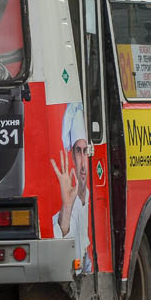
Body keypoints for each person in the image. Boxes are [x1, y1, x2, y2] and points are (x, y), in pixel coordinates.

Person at [51, 102, 92, 273]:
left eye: (86, 151)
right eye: (78, 151)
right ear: (72, 158)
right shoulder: (67, 205)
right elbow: (60, 238)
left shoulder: (93, 199)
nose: (83, 163)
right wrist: (67, 205)